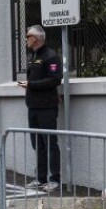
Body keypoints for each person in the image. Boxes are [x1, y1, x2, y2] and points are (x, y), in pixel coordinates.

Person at [18, 24, 62, 191]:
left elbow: (55, 79)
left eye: (28, 36)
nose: (26, 39)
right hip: (33, 106)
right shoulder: (33, 55)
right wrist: (30, 86)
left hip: (47, 107)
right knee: (38, 144)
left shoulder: (50, 56)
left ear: (35, 39)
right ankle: (40, 178)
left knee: (50, 143)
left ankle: (55, 179)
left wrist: (31, 85)